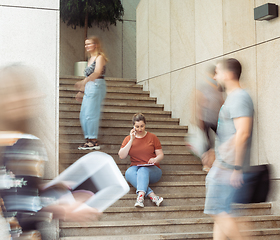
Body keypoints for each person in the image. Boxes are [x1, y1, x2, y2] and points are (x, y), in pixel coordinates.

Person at [0, 64, 100, 239]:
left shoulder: (13, 143)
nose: (37, 96)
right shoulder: (25, 144)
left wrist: (58, 192)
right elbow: (23, 206)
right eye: (24, 91)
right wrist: (64, 209)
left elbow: (20, 192)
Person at [204, 58, 254, 240]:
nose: (215, 76)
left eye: (217, 72)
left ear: (228, 74)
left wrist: (236, 169)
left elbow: (243, 133)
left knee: (217, 210)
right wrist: (215, 153)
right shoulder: (233, 98)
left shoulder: (240, 97)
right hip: (224, 164)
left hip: (228, 167)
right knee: (221, 212)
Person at [118, 113, 164, 208]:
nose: (139, 129)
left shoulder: (152, 137)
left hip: (153, 169)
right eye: (137, 126)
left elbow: (161, 155)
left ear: (145, 125)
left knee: (143, 169)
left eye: (142, 126)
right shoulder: (128, 139)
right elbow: (121, 156)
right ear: (133, 126)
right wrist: (131, 139)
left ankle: (140, 197)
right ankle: (153, 196)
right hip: (135, 167)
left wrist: (155, 159)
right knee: (128, 173)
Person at [75, 36, 107, 150]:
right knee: (83, 115)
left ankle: (93, 140)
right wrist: (81, 91)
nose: (86, 46)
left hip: (97, 85)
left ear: (96, 45)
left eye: (89, 44)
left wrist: (83, 81)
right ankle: (88, 139)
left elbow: (97, 72)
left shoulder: (100, 57)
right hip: (89, 86)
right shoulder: (90, 59)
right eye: (85, 44)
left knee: (90, 114)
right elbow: (88, 76)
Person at [195, 65, 224, 171]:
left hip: (216, 119)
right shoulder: (204, 86)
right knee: (208, 141)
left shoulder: (218, 87)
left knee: (221, 139)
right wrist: (200, 118)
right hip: (206, 118)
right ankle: (206, 164)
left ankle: (216, 161)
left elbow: (221, 101)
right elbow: (199, 102)